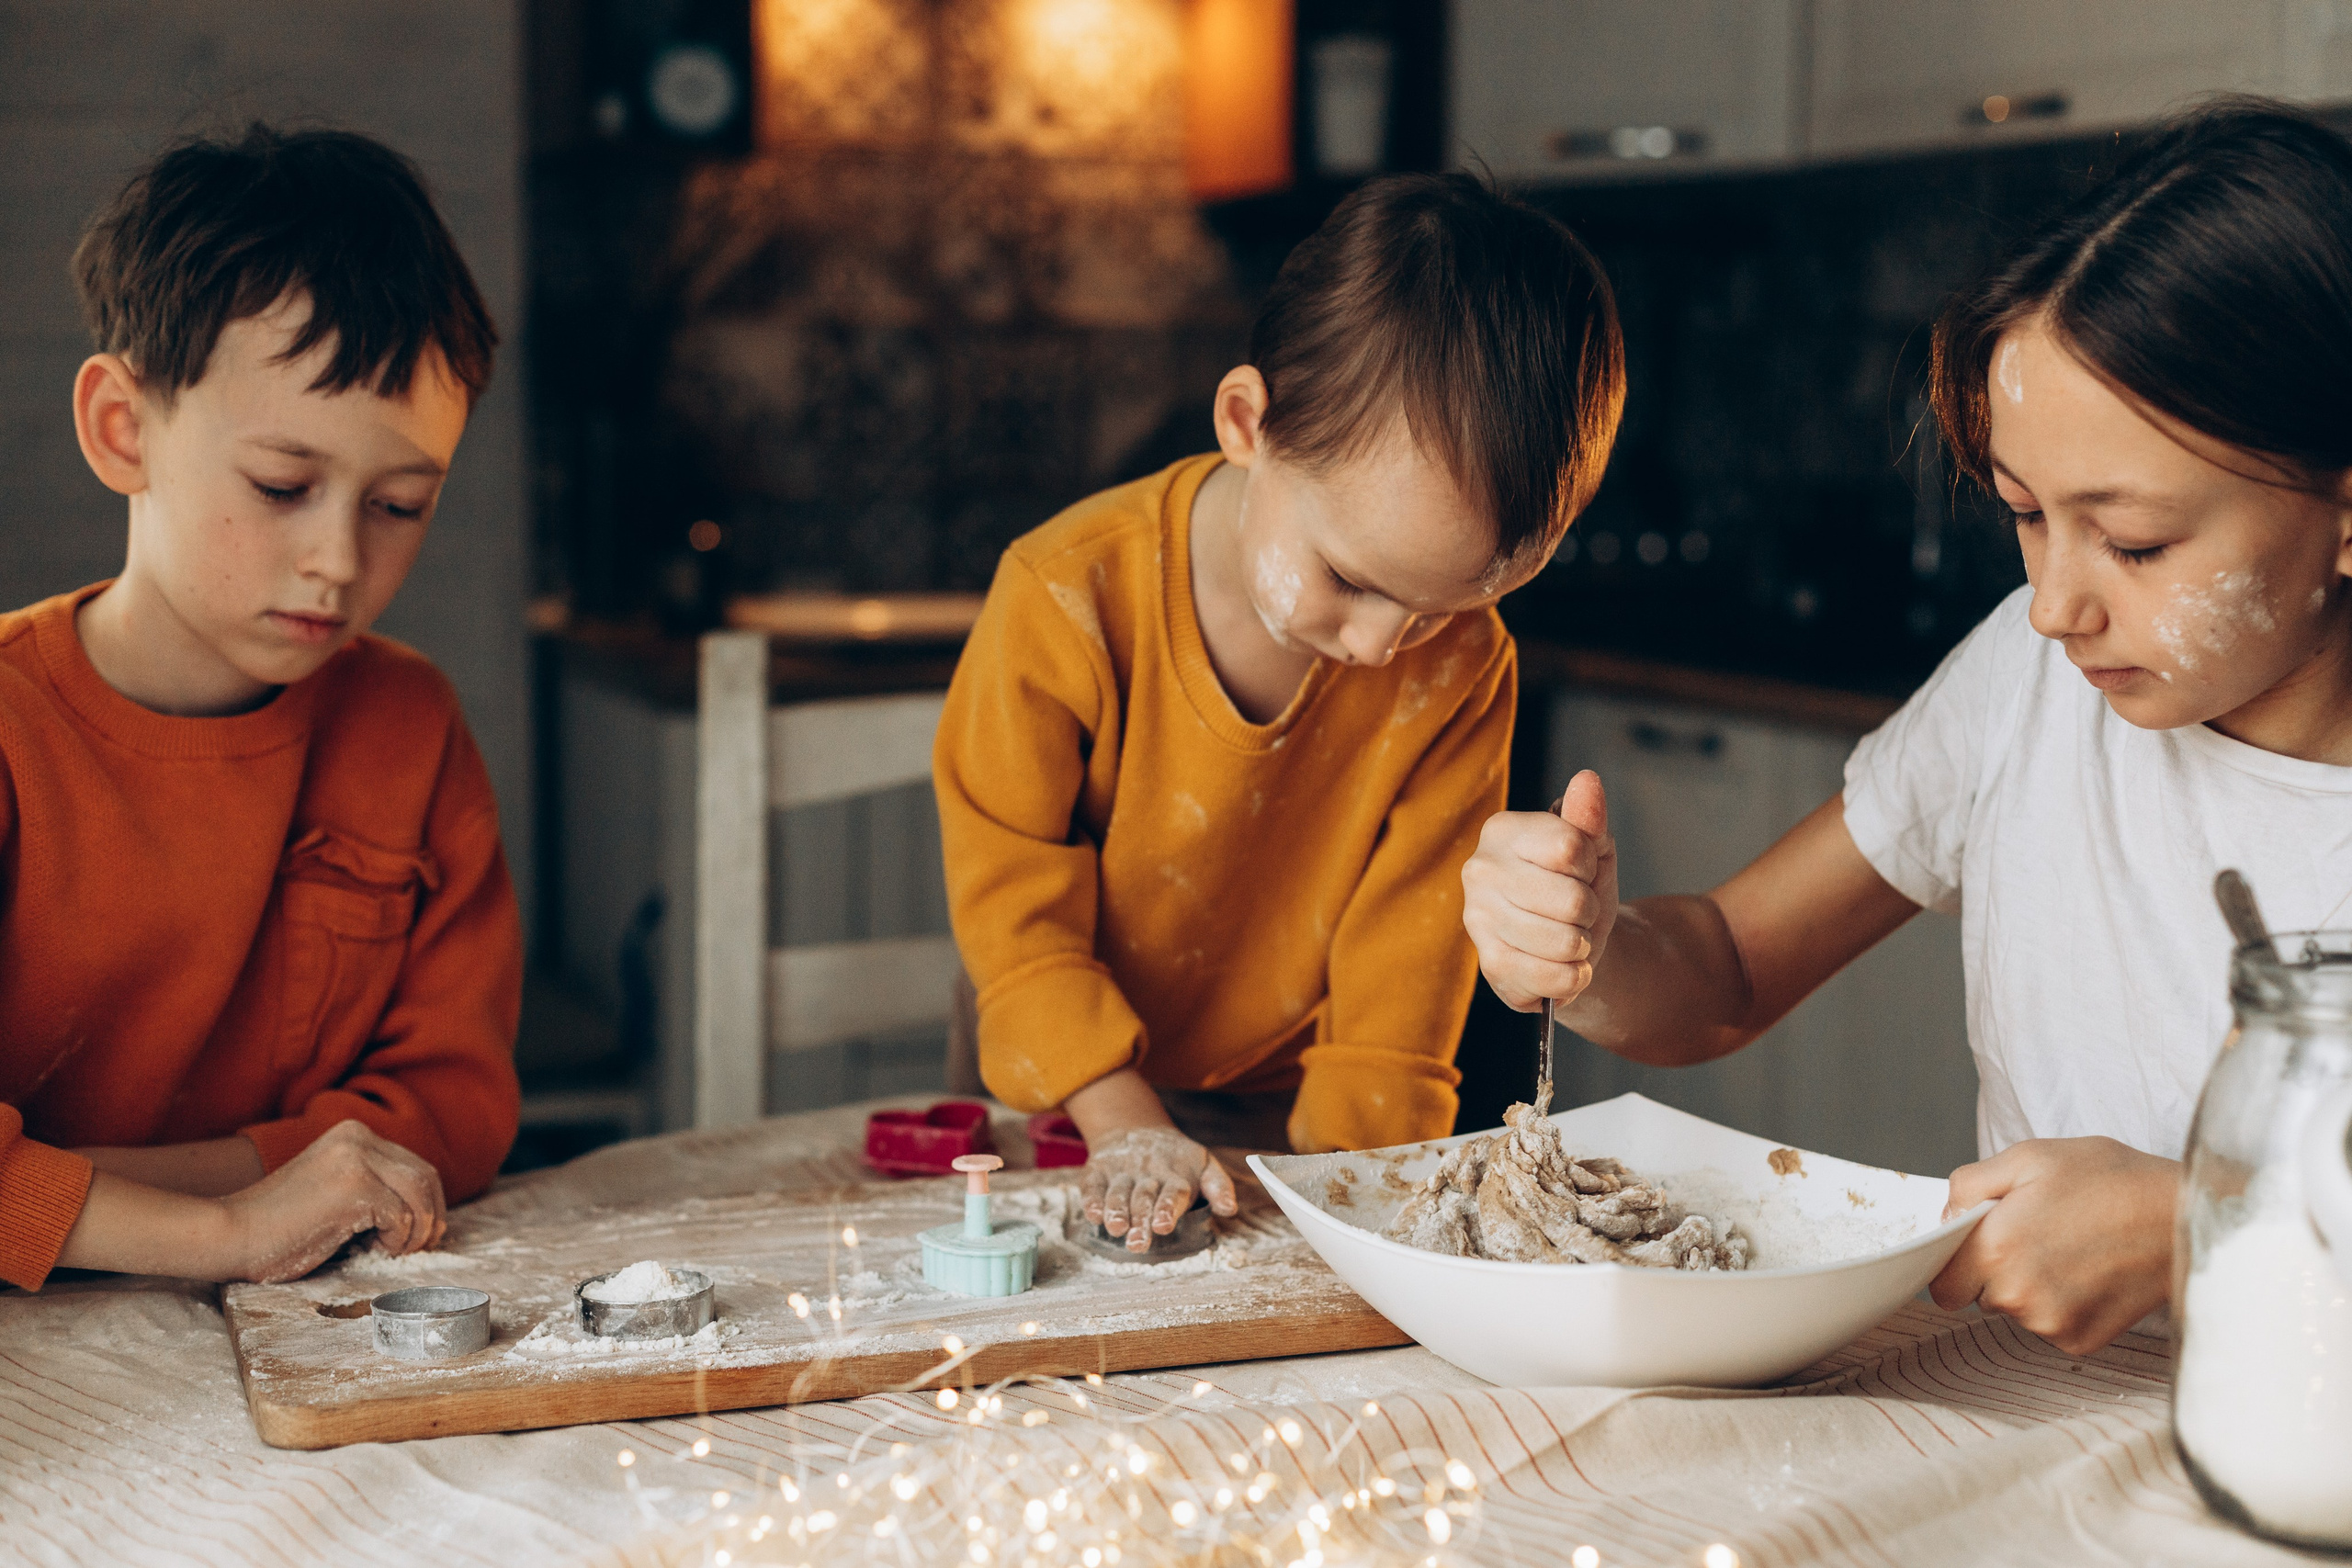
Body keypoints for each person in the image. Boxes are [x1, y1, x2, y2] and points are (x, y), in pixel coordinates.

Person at [1462, 98, 2352, 1353]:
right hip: (2023, 1438)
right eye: (2026, 513)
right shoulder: (2033, 686)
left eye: (2136, 540)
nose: (2053, 604)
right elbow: (1722, 968)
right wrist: (1589, 946)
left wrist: (2196, 1223)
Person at [935, 174, 1625, 1250]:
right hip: (1062, 1102)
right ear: (1248, 422)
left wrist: (1347, 1203)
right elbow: (1013, 920)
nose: (1381, 644)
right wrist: (1123, 1125)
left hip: (1286, 1121)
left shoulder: (1461, 667)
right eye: (1349, 580)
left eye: (1443, 608)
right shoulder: (1067, 596)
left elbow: (1402, 984)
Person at [0, 125, 522, 1294]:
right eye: (283, 488)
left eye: (397, 504)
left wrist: (48, 1187)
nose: (336, 559)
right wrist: (228, 1225)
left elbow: (454, 1106)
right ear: (120, 430)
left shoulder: (411, 727)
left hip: (312, 1315)